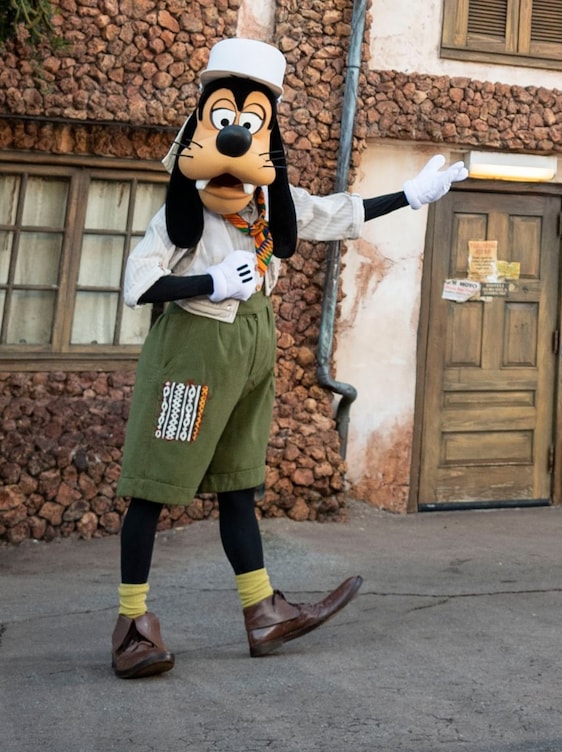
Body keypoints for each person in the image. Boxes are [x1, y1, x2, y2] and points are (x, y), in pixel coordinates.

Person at [110, 37, 467, 679]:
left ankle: (262, 612)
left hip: (252, 346)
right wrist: (207, 282)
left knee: (240, 485)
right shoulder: (179, 213)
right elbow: (137, 282)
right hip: (192, 351)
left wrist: (411, 196)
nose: (237, 140)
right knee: (152, 487)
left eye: (252, 126)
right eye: (225, 122)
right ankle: (132, 624)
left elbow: (340, 212)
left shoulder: (272, 208)